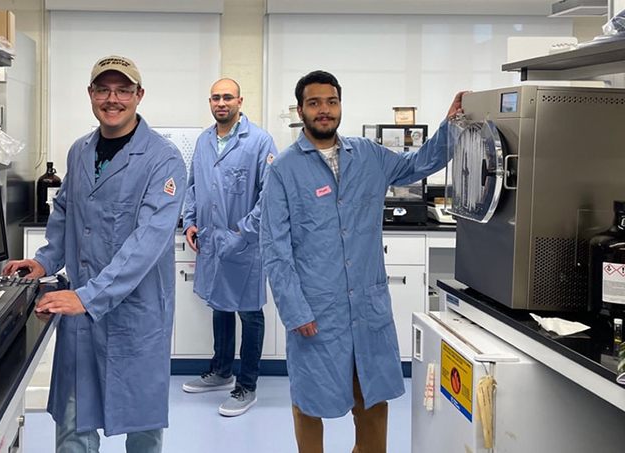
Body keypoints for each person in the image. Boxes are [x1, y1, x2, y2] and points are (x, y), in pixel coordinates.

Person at [260, 70, 465, 453]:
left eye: (331, 101)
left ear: (340, 105)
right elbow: (274, 247)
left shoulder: (367, 155)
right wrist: (294, 309)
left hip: (367, 306)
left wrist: (451, 125)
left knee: (372, 399)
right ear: (300, 110)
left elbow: (419, 162)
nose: (324, 110)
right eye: (315, 103)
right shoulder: (284, 170)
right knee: (310, 403)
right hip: (315, 310)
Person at [3, 55, 187, 453]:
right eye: (103, 89)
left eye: (123, 90)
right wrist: (46, 260)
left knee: (142, 428)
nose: (112, 99)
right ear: (91, 94)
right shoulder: (80, 151)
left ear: (139, 96)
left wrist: (87, 298)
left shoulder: (163, 159)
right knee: (73, 422)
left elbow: (147, 242)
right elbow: (67, 210)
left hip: (136, 315)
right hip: (80, 312)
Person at [181, 78, 277, 417]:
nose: (221, 103)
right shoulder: (205, 140)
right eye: (215, 98)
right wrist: (189, 220)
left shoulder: (260, 140)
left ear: (239, 100)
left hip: (244, 243)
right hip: (210, 239)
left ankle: (247, 385)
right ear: (210, 102)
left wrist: (243, 232)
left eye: (227, 97)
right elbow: (193, 185)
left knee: (249, 312)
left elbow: (270, 196)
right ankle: (221, 371)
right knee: (219, 304)